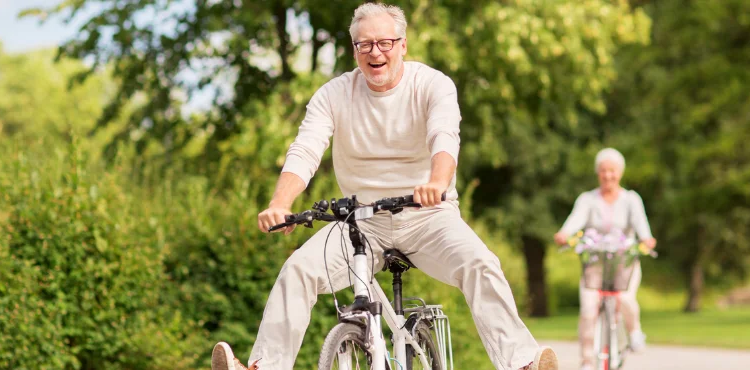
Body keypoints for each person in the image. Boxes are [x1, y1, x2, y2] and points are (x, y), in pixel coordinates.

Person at [210, 3, 558, 370]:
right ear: (354, 50)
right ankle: (263, 367)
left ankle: (523, 363)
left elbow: (444, 136)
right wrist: (280, 203)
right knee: (297, 270)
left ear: (403, 45)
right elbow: (305, 149)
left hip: (427, 216)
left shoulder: (432, 85)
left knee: (481, 264)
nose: (376, 52)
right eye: (365, 44)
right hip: (361, 222)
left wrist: (437, 183)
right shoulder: (333, 95)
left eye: (385, 42)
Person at [552, 148, 656, 370]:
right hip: (595, 264)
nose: (608, 175)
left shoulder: (631, 199)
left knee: (626, 298)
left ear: (620, 172)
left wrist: (646, 239)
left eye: (612, 171)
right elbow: (575, 221)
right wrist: (564, 235)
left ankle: (635, 331)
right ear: (597, 173)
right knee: (588, 309)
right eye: (603, 171)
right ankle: (587, 361)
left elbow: (641, 225)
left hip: (623, 263)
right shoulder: (587, 199)